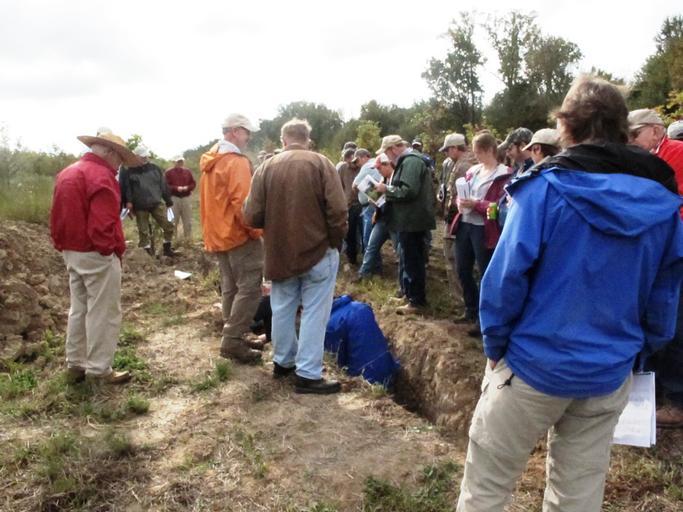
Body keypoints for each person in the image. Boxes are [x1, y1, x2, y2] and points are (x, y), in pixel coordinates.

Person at [456, 76, 683, 512]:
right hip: (608, 372)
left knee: (486, 489)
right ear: (622, 126)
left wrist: (495, 346)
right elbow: (665, 294)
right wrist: (637, 353)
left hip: (532, 365)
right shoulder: (662, 202)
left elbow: (504, 280)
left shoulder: (543, 189)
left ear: (565, 126)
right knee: (577, 497)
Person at [243, 118, 347, 394]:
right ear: (308, 139)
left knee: (282, 308)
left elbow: (250, 215)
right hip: (318, 251)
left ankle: (283, 362)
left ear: (283, 140)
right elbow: (338, 210)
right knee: (315, 312)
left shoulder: (265, 168)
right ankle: (308, 374)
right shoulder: (322, 163)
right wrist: (334, 242)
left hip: (279, 253)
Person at [50, 131, 139, 384]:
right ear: (109, 153)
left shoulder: (68, 173)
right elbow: (103, 225)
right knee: (103, 312)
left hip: (72, 251)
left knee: (79, 309)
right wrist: (111, 250)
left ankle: (75, 364)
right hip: (96, 253)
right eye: (119, 158)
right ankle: (99, 370)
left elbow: (56, 215)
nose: (119, 165)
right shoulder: (101, 176)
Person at [628, 108, 683, 428]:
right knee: (655, 316)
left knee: (675, 321)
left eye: (636, 134)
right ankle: (657, 386)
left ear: (656, 130)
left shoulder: (675, 152)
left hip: (674, 248)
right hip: (658, 249)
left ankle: (676, 399)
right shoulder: (649, 157)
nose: (632, 140)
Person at [200, 113, 264, 364]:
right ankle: (233, 339)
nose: (249, 138)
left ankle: (234, 332)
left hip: (218, 235)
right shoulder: (235, 162)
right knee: (250, 288)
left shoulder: (211, 160)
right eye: (247, 132)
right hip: (238, 235)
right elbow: (243, 203)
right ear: (236, 131)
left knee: (231, 287)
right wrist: (255, 231)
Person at [450, 132, 512, 331]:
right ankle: (470, 309)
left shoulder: (504, 174)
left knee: (485, 272)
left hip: (485, 229)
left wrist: (477, 204)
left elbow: (499, 208)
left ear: (489, 150)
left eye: (478, 152)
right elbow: (462, 193)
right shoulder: (474, 171)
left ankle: (484, 318)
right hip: (465, 224)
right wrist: (460, 202)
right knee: (462, 268)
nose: (475, 156)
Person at [374, 135, 435, 314]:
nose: (387, 157)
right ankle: (409, 295)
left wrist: (386, 190)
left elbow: (408, 191)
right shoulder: (408, 161)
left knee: (413, 261)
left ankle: (416, 301)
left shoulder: (411, 162)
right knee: (408, 260)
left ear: (393, 149)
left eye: (386, 152)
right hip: (407, 220)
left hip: (412, 220)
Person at [119, 144, 177, 257]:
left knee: (168, 225)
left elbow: (163, 185)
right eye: (142, 157)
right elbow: (127, 188)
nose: (145, 158)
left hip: (156, 202)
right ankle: (147, 254)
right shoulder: (129, 170)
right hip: (139, 205)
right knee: (143, 231)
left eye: (146, 156)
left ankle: (167, 248)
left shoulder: (155, 168)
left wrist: (168, 200)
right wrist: (128, 202)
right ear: (136, 156)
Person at [439, 133, 476, 303]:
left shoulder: (463, 166)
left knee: (453, 259)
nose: (446, 154)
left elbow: (460, 196)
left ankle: (461, 298)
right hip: (461, 218)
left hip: (458, 219)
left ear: (455, 148)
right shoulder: (466, 163)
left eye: (447, 150)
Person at [356, 153, 398, 279]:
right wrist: (374, 199)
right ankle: (363, 274)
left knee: (400, 251)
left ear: (387, 165)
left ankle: (403, 281)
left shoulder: (397, 178)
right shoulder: (383, 179)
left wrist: (385, 191)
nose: (378, 171)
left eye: (379, 168)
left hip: (395, 220)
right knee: (371, 246)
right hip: (382, 218)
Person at [338, 147, 363, 265]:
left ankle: (364, 254)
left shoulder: (362, 167)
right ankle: (351, 258)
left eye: (353, 161)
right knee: (350, 233)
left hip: (362, 204)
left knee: (364, 232)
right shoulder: (342, 168)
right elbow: (338, 185)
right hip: (349, 205)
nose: (351, 164)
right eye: (348, 161)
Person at [165, 156, 196, 241]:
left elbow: (193, 184)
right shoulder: (168, 172)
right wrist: (176, 188)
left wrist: (187, 188)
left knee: (187, 221)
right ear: (174, 162)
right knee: (172, 220)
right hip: (174, 198)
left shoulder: (187, 172)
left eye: (181, 161)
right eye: (178, 161)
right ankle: (172, 240)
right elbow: (165, 185)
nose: (180, 163)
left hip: (186, 197)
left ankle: (188, 240)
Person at [350, 148, 375, 250]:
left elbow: (354, 185)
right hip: (380, 202)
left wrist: (357, 191)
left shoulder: (367, 166)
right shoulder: (377, 162)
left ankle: (369, 258)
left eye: (357, 160)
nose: (357, 164)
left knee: (367, 237)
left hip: (369, 205)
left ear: (364, 157)